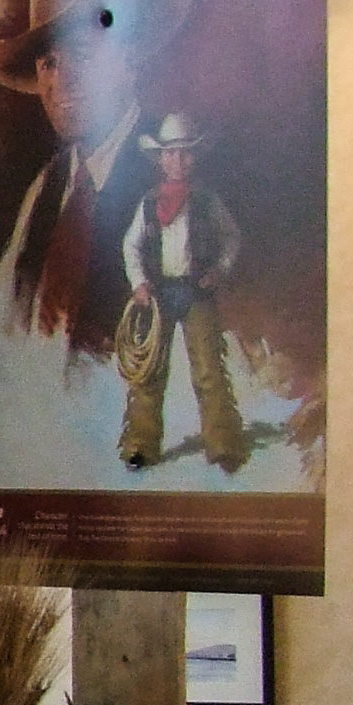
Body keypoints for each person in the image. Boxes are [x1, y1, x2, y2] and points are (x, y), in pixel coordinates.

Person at [0, 0, 191, 364]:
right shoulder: (45, 189)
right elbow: (2, 328)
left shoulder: (171, 173)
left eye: (82, 56)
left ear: (130, 60)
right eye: (49, 64)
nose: (61, 83)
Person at [117, 113, 251, 474]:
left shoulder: (206, 202)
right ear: (160, 160)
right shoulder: (149, 203)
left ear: (194, 158)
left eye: (185, 153)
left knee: (209, 369)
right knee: (150, 373)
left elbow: (231, 238)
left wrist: (219, 270)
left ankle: (223, 442)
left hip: (197, 293)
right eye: (170, 153)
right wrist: (139, 283)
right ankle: (141, 443)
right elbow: (131, 245)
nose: (178, 160)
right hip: (159, 296)